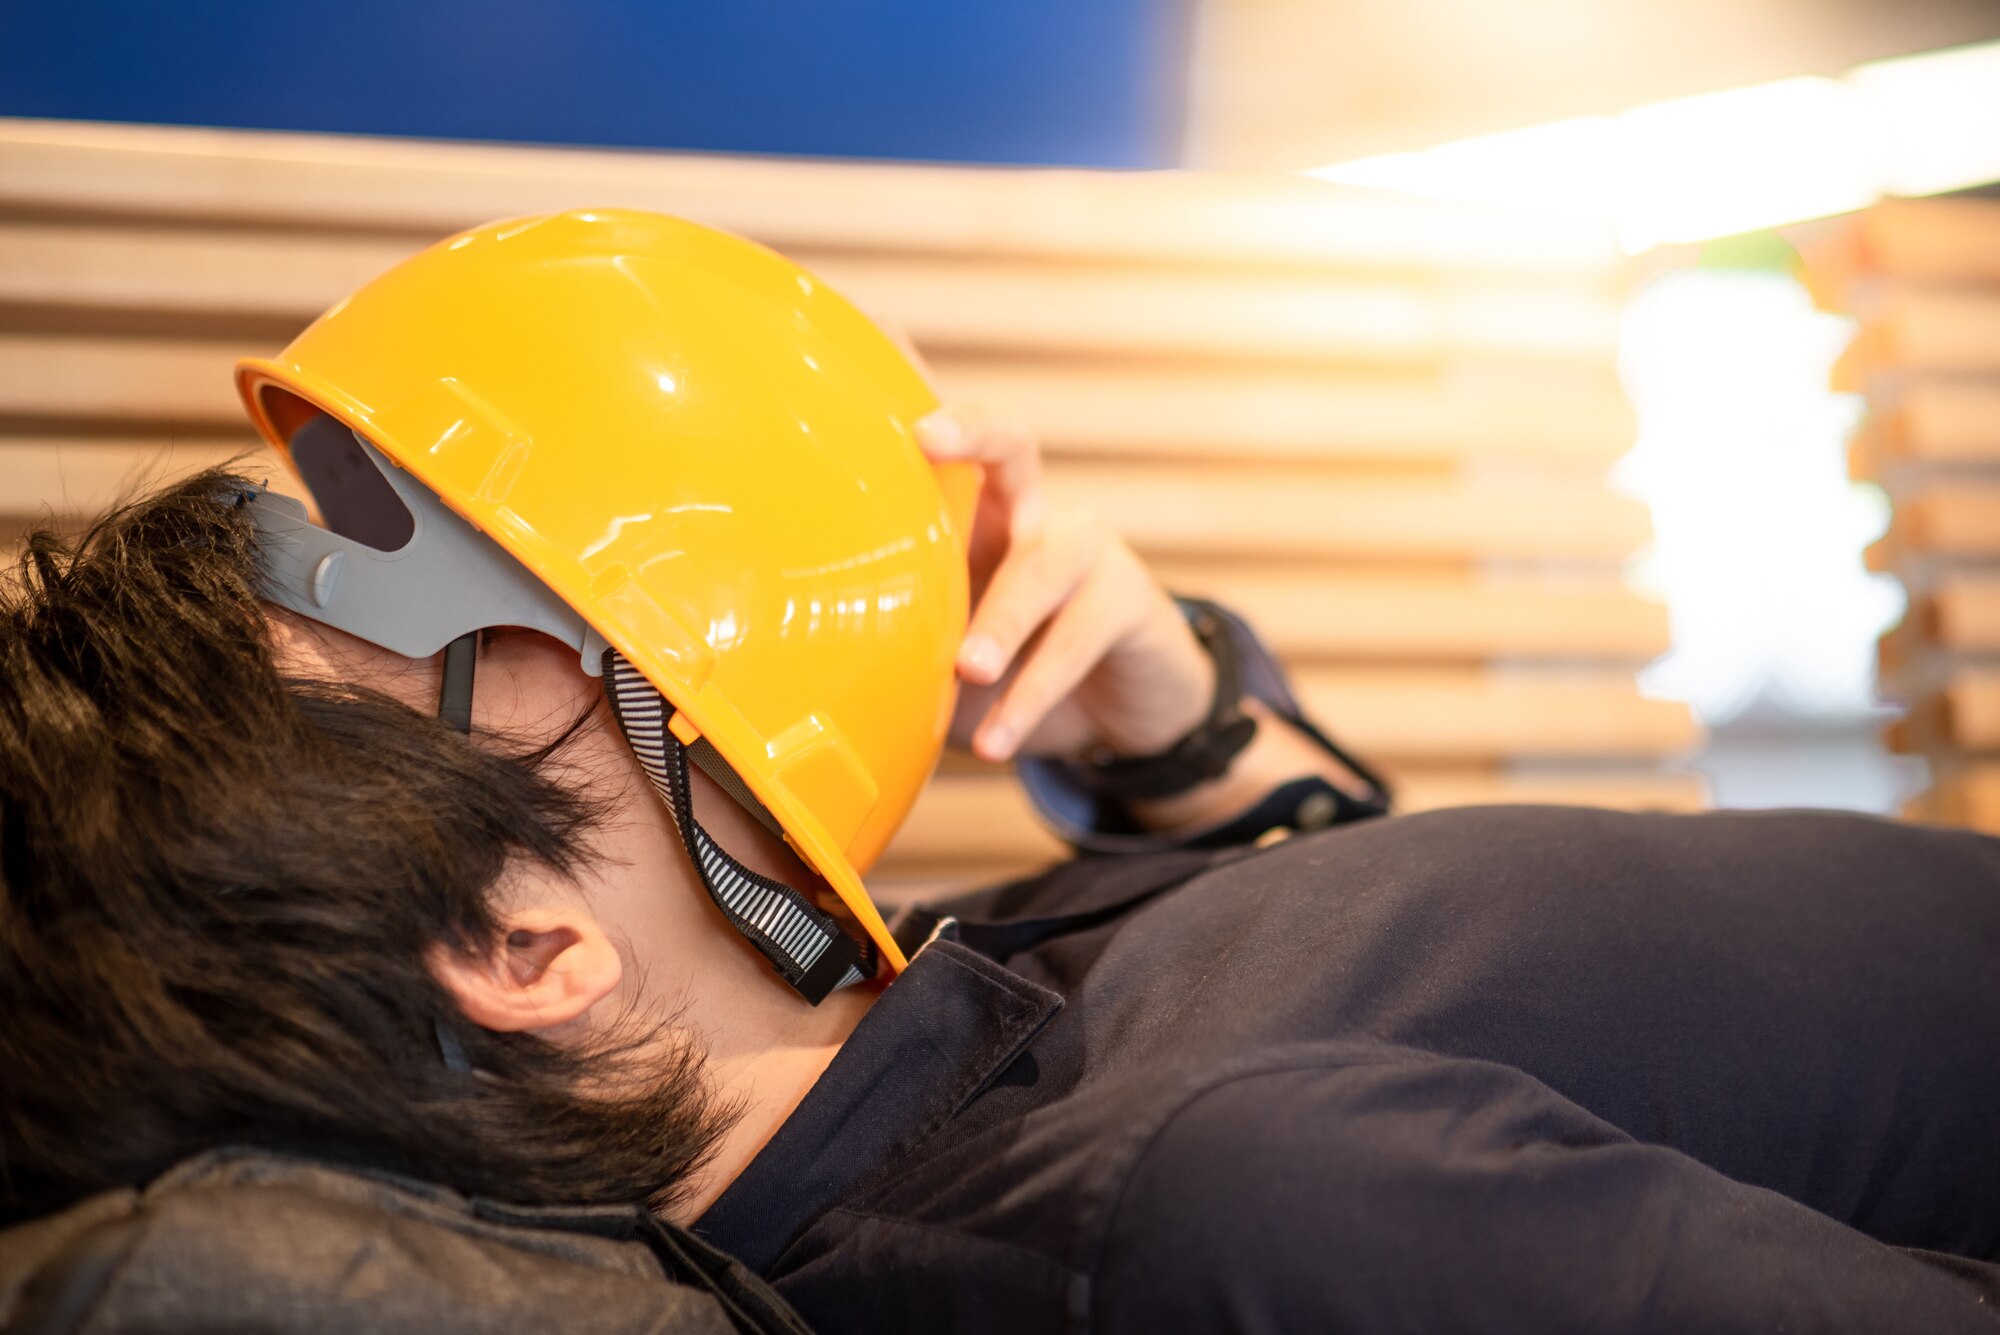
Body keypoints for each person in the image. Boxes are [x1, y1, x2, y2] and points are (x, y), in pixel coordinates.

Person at [1, 210, 1995, 1334]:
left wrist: (1183, 742)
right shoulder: (1199, 1209)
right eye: (462, 605)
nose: (622, 595)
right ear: (521, 942)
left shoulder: (939, 1030)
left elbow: (1511, 1032)